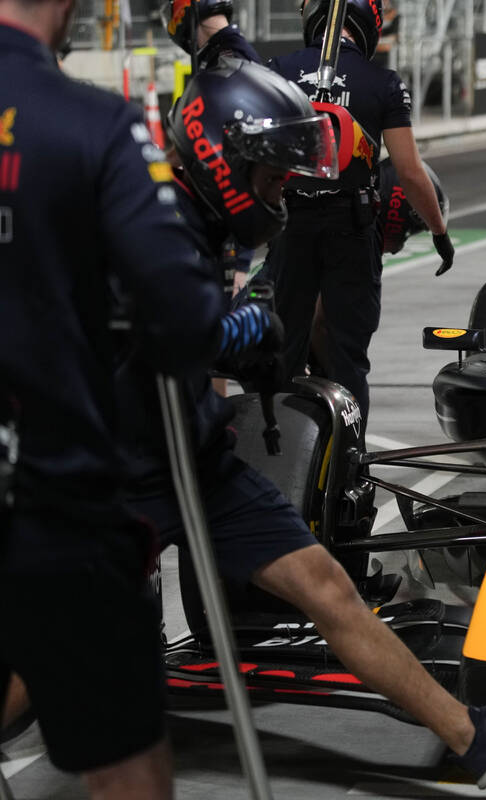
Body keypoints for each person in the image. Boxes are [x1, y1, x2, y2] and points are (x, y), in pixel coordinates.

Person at [141, 58, 486, 789]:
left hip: (196, 456)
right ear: (223, 158)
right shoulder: (145, 218)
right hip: (121, 463)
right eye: (268, 174)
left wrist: (250, 338)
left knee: (328, 587)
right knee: (66, 645)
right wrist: (243, 333)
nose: (280, 189)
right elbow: (167, 332)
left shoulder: (203, 219)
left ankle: (472, 736)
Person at [0, 0, 264, 793]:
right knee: (127, 767)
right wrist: (251, 328)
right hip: (48, 502)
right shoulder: (94, 123)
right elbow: (184, 318)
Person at [264, 0, 454, 426]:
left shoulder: (278, 69)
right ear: (369, 26)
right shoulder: (383, 83)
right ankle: (350, 470)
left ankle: (282, 452)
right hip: (352, 227)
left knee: (285, 350)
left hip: (291, 224)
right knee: (349, 358)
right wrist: (440, 233)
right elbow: (409, 172)